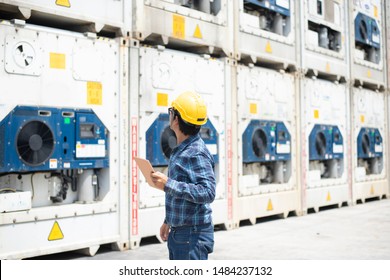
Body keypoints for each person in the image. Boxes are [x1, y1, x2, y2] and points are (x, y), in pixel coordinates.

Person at [151, 91, 216, 260]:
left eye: (171, 112)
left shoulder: (195, 153)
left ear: (176, 120)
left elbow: (208, 192)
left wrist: (168, 183)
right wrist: (168, 221)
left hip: (192, 235)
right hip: (182, 232)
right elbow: (183, 191)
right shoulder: (182, 149)